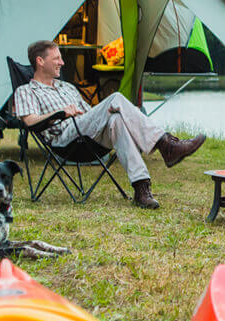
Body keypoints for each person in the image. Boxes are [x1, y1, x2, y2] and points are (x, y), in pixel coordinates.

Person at [12, 40, 206, 209]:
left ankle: (141, 187)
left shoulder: (67, 87)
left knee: (116, 120)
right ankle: (166, 145)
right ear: (40, 61)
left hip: (86, 134)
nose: (62, 63)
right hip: (62, 139)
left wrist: (97, 114)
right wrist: (60, 113)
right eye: (56, 59)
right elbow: (29, 122)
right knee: (116, 98)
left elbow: (90, 114)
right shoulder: (26, 91)